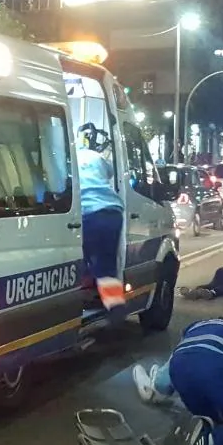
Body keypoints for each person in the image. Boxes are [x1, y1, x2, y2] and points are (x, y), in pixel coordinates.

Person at [77, 126, 125, 309]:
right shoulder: (97, 157)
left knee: (83, 256)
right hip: (112, 211)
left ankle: (97, 300)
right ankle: (113, 305)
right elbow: (110, 173)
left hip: (89, 211)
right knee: (106, 260)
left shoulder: (69, 158)